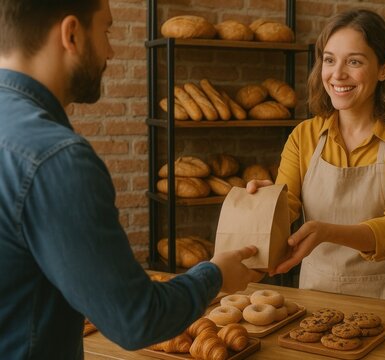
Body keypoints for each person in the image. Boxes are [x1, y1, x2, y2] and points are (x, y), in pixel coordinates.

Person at [0, 0, 263, 358]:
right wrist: (214, 274)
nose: (110, 50)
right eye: (106, 31)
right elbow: (137, 318)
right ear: (71, 34)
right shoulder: (55, 158)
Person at [248, 8, 385, 304]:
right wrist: (264, 203)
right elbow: (290, 204)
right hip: (316, 294)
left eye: (355, 62)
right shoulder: (304, 135)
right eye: (329, 60)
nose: (337, 74)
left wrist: (327, 232)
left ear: (384, 69)